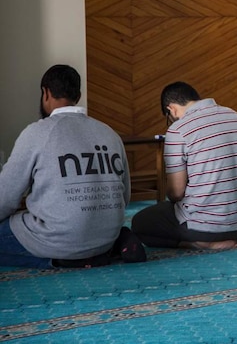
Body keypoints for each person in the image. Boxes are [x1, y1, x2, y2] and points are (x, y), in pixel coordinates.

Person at [0, 65, 144, 268]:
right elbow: (125, 196)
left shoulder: (37, 133)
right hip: (105, 237)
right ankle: (107, 248)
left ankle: (69, 257)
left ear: (46, 92)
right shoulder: (109, 133)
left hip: (58, 239)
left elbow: (5, 197)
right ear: (78, 94)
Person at [131, 82, 237, 250]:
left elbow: (176, 192)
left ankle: (201, 243)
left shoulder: (178, 129)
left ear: (171, 109)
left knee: (140, 223)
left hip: (204, 227)